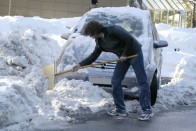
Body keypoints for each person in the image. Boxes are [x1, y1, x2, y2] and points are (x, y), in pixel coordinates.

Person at [72, 21, 153, 121]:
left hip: (134, 53)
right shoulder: (99, 41)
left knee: (142, 80)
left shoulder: (113, 30)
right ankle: (121, 109)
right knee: (115, 81)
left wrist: (125, 54)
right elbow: (94, 55)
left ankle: (147, 110)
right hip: (122, 57)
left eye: (91, 34)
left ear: (95, 31)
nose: (91, 37)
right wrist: (80, 65)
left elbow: (130, 39)